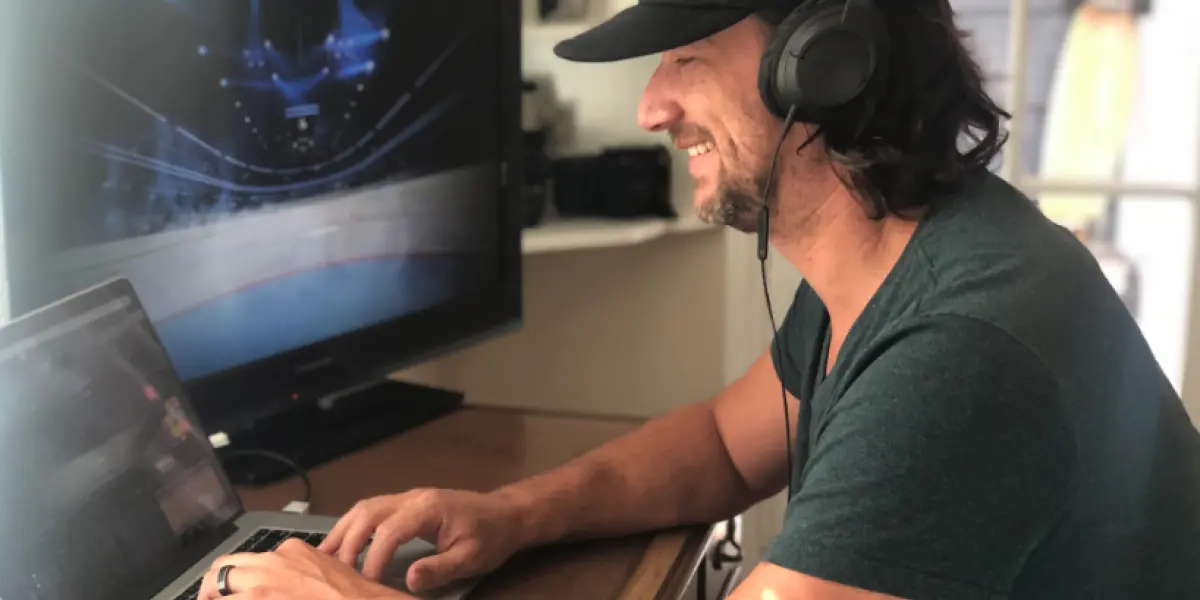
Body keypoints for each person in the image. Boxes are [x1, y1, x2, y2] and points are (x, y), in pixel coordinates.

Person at [199, 0, 1200, 598]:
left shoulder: (961, 350)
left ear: (824, 65)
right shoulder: (920, 248)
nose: (650, 107)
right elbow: (726, 443)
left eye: (686, 58)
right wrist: (506, 514)